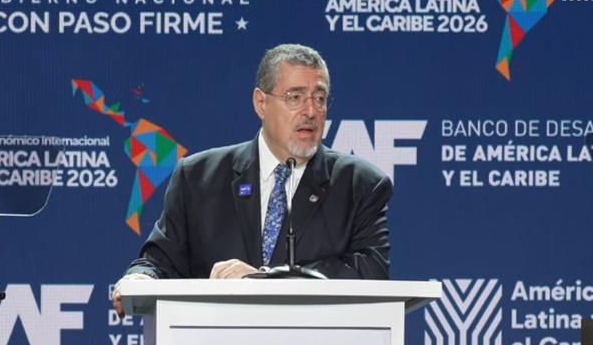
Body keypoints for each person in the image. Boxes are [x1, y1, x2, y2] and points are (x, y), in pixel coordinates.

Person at [111, 44, 391, 314]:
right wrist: (140, 278)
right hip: (216, 338)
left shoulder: (359, 184)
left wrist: (265, 279)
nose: (311, 112)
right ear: (261, 103)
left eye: (319, 98)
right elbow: (160, 261)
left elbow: (370, 271)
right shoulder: (198, 178)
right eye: (295, 97)